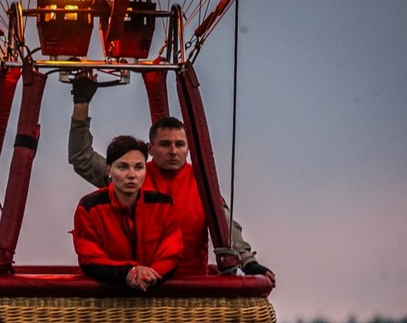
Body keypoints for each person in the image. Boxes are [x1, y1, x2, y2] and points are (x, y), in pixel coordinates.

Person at [69, 75, 276, 284]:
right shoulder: (133, 175)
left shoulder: (202, 182)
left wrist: (248, 262)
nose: (173, 151)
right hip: (138, 288)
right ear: (150, 148)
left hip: (188, 290)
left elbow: (225, 223)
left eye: (179, 144)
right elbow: (82, 158)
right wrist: (81, 104)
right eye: (165, 144)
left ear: (189, 148)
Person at [72, 135, 183, 292]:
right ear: (109, 169)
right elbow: (90, 259)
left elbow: (171, 252)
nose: (132, 175)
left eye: (138, 167)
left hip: (152, 297)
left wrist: (145, 276)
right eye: (123, 167)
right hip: (104, 302)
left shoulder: (163, 205)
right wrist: (129, 271)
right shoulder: (89, 207)